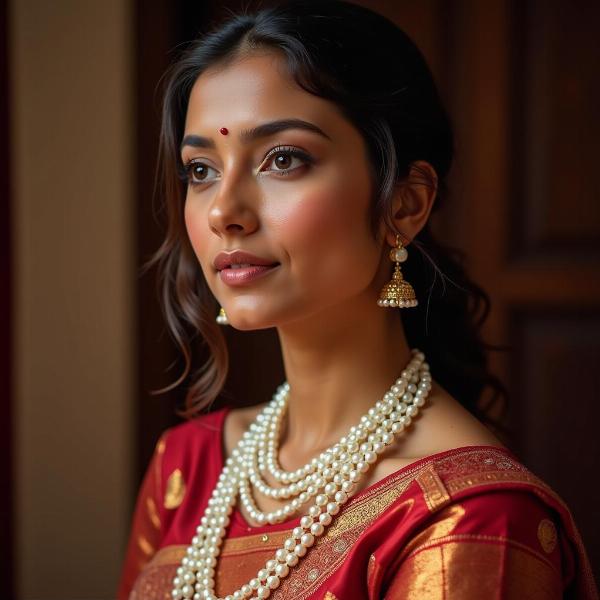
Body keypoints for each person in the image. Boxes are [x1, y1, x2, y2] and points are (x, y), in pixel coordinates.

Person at [117, 2, 598, 598]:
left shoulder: (468, 518)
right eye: (200, 170)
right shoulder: (187, 469)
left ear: (405, 204)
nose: (223, 212)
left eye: (283, 159)